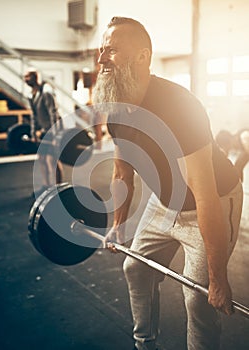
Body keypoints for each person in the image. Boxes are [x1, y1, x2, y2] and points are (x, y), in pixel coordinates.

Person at [92, 17, 243, 350]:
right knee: (136, 268)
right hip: (163, 202)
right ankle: (144, 344)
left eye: (112, 50)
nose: (102, 58)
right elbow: (121, 173)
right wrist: (118, 225)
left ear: (143, 56)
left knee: (197, 299)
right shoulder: (116, 106)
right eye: (102, 49)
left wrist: (217, 279)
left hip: (213, 199)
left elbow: (205, 195)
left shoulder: (179, 106)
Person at [24, 70, 64, 196]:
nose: (26, 79)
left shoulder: (46, 92)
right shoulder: (31, 95)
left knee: (51, 160)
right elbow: (34, 116)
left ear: (36, 78)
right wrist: (33, 133)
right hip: (42, 132)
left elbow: (54, 113)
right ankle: (47, 186)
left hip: (53, 130)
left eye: (28, 76)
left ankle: (58, 188)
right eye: (25, 77)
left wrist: (54, 134)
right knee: (41, 159)